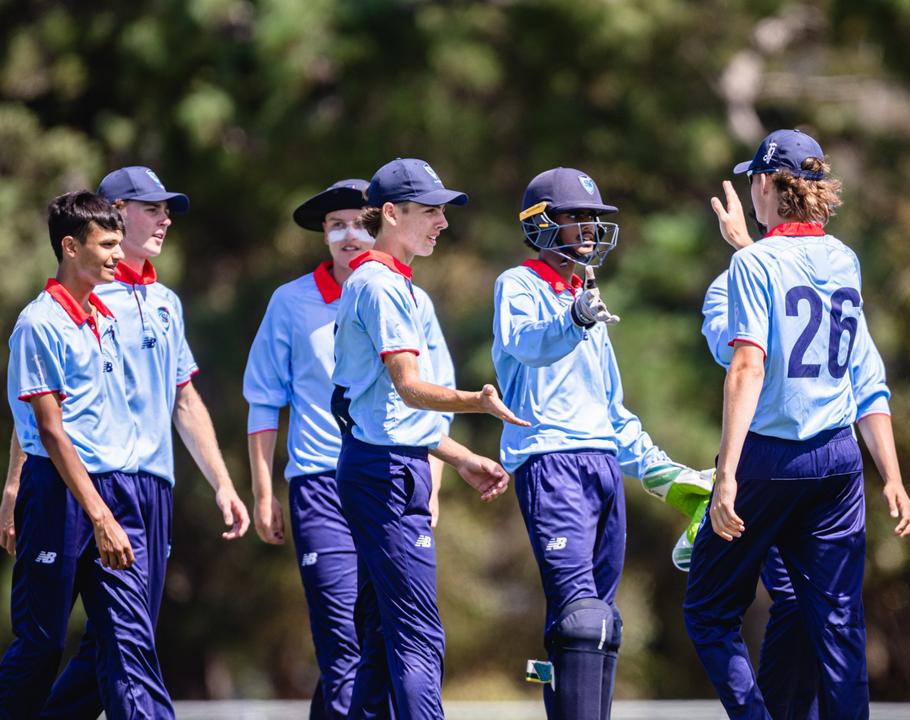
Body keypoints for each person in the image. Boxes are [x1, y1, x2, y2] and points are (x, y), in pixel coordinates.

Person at [683, 129, 910, 720]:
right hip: (838, 460)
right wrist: (890, 471)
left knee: (708, 610)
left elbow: (747, 365)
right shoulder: (844, 258)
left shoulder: (753, 263)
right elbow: (864, 372)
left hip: (771, 457)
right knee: (837, 622)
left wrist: (727, 473)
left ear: (764, 184)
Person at [31, 166, 250, 719]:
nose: (165, 218)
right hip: (99, 485)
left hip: (156, 487)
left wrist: (223, 482)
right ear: (116, 212)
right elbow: (43, 408)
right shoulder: (76, 302)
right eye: (151, 207)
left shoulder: (166, 302)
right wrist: (15, 486)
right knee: (125, 645)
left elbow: (185, 400)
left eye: (166, 208)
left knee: (119, 641)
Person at [493, 167, 711, 720]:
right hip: (550, 462)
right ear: (541, 224)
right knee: (581, 618)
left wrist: (666, 474)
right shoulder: (518, 286)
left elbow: (612, 411)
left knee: (601, 626)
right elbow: (528, 345)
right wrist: (574, 317)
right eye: (575, 217)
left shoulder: (587, 299)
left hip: (603, 465)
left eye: (594, 218)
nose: (589, 228)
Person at [244, 177, 455, 718]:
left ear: (379, 223)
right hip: (318, 485)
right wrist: (263, 492)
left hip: (391, 478)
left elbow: (432, 400)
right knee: (343, 644)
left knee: (382, 636)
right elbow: (265, 401)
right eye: (334, 225)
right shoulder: (288, 302)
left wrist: (435, 485)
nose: (346, 235)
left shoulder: (410, 296)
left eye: (357, 223)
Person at [331, 157, 521, 720]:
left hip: (384, 464)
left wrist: (460, 457)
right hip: (384, 475)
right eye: (431, 211)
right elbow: (410, 388)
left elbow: (384, 408)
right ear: (391, 213)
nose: (442, 222)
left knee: (381, 640)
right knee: (418, 636)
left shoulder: (390, 285)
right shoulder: (382, 286)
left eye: (443, 211)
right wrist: (477, 402)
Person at [0, 191, 172, 718]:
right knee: (41, 646)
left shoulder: (106, 318)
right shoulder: (38, 323)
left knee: (129, 641)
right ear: (71, 247)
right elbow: (49, 432)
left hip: (113, 493)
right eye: (108, 244)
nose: (120, 255)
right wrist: (97, 514)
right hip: (59, 495)